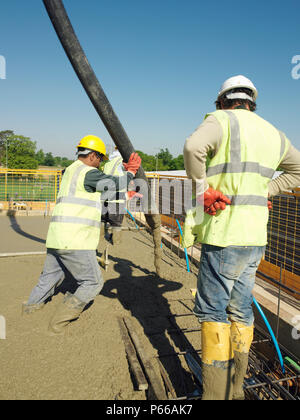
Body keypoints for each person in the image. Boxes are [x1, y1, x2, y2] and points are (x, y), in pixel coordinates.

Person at [183, 75, 300, 400]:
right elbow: (298, 169)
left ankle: (214, 394)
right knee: (240, 309)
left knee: (212, 312)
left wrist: (202, 190)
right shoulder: (273, 132)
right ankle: (235, 390)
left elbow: (193, 147)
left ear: (222, 102)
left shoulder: (222, 119)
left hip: (224, 233)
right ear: (252, 103)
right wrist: (267, 188)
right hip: (254, 238)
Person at [23, 135, 141, 335]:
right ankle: (57, 324)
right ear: (93, 155)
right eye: (100, 159)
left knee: (50, 276)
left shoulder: (69, 170)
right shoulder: (88, 172)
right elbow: (115, 184)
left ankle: (30, 308)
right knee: (93, 282)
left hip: (56, 238)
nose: (100, 164)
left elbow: (98, 193)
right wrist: (130, 172)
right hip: (76, 240)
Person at [101, 147, 141, 245]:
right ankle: (116, 241)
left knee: (102, 220)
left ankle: (100, 237)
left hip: (104, 199)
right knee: (116, 224)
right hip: (117, 201)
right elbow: (128, 173)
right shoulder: (122, 161)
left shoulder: (108, 163)